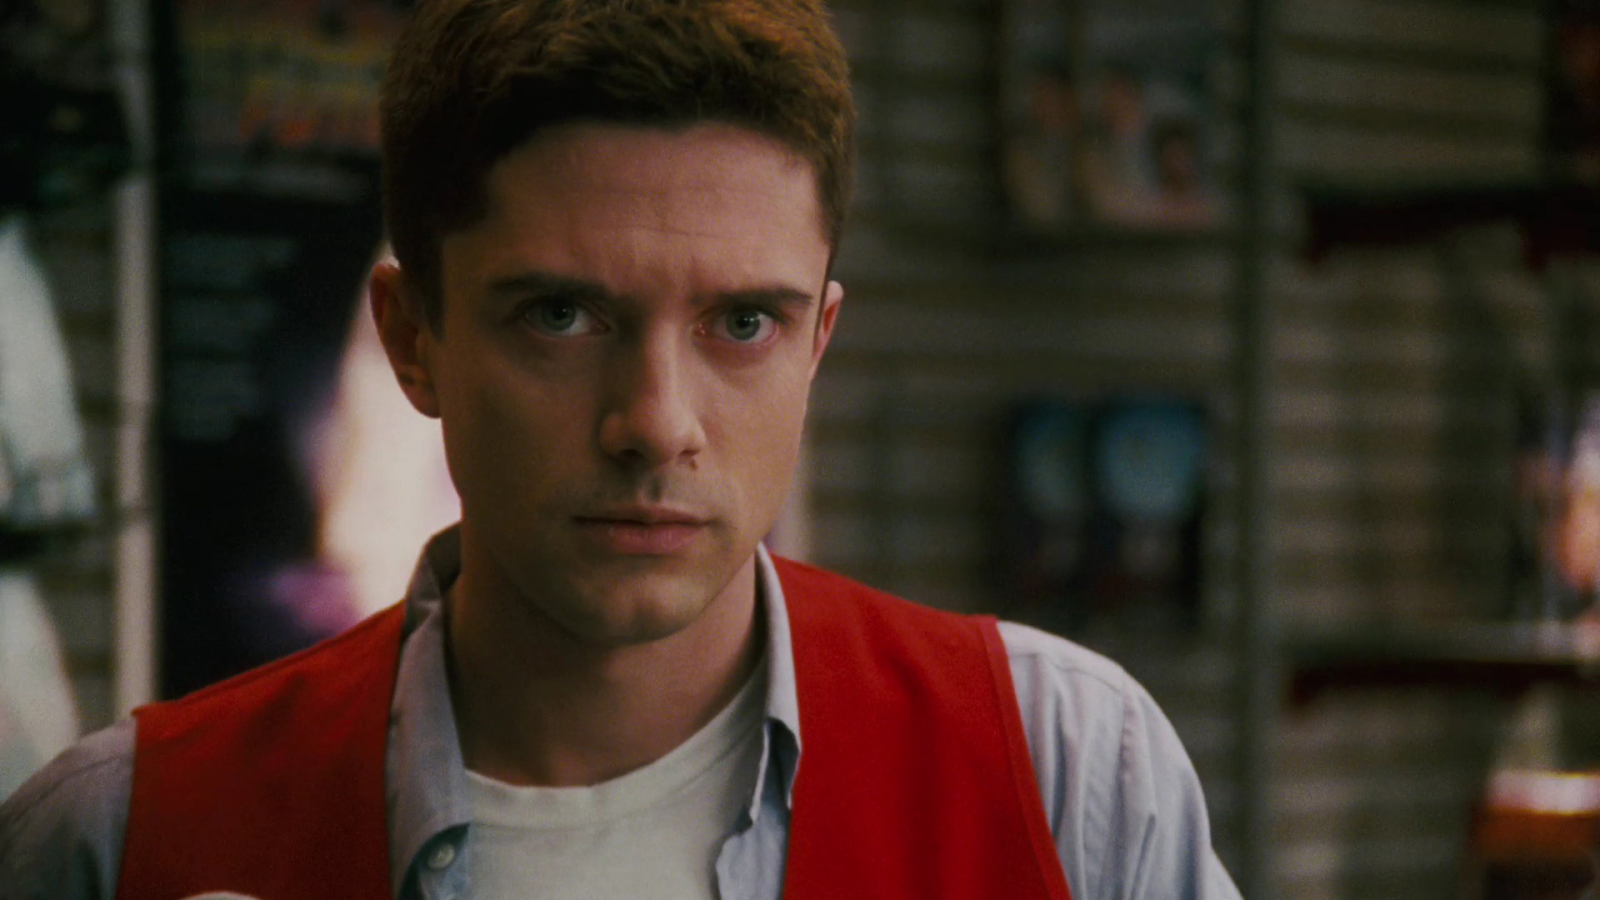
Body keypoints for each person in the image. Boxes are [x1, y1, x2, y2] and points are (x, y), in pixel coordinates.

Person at [0, 2, 1243, 898]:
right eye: (560, 314)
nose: (654, 422)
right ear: (413, 339)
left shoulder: (1068, 775)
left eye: (742, 324)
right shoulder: (120, 843)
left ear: (817, 343)